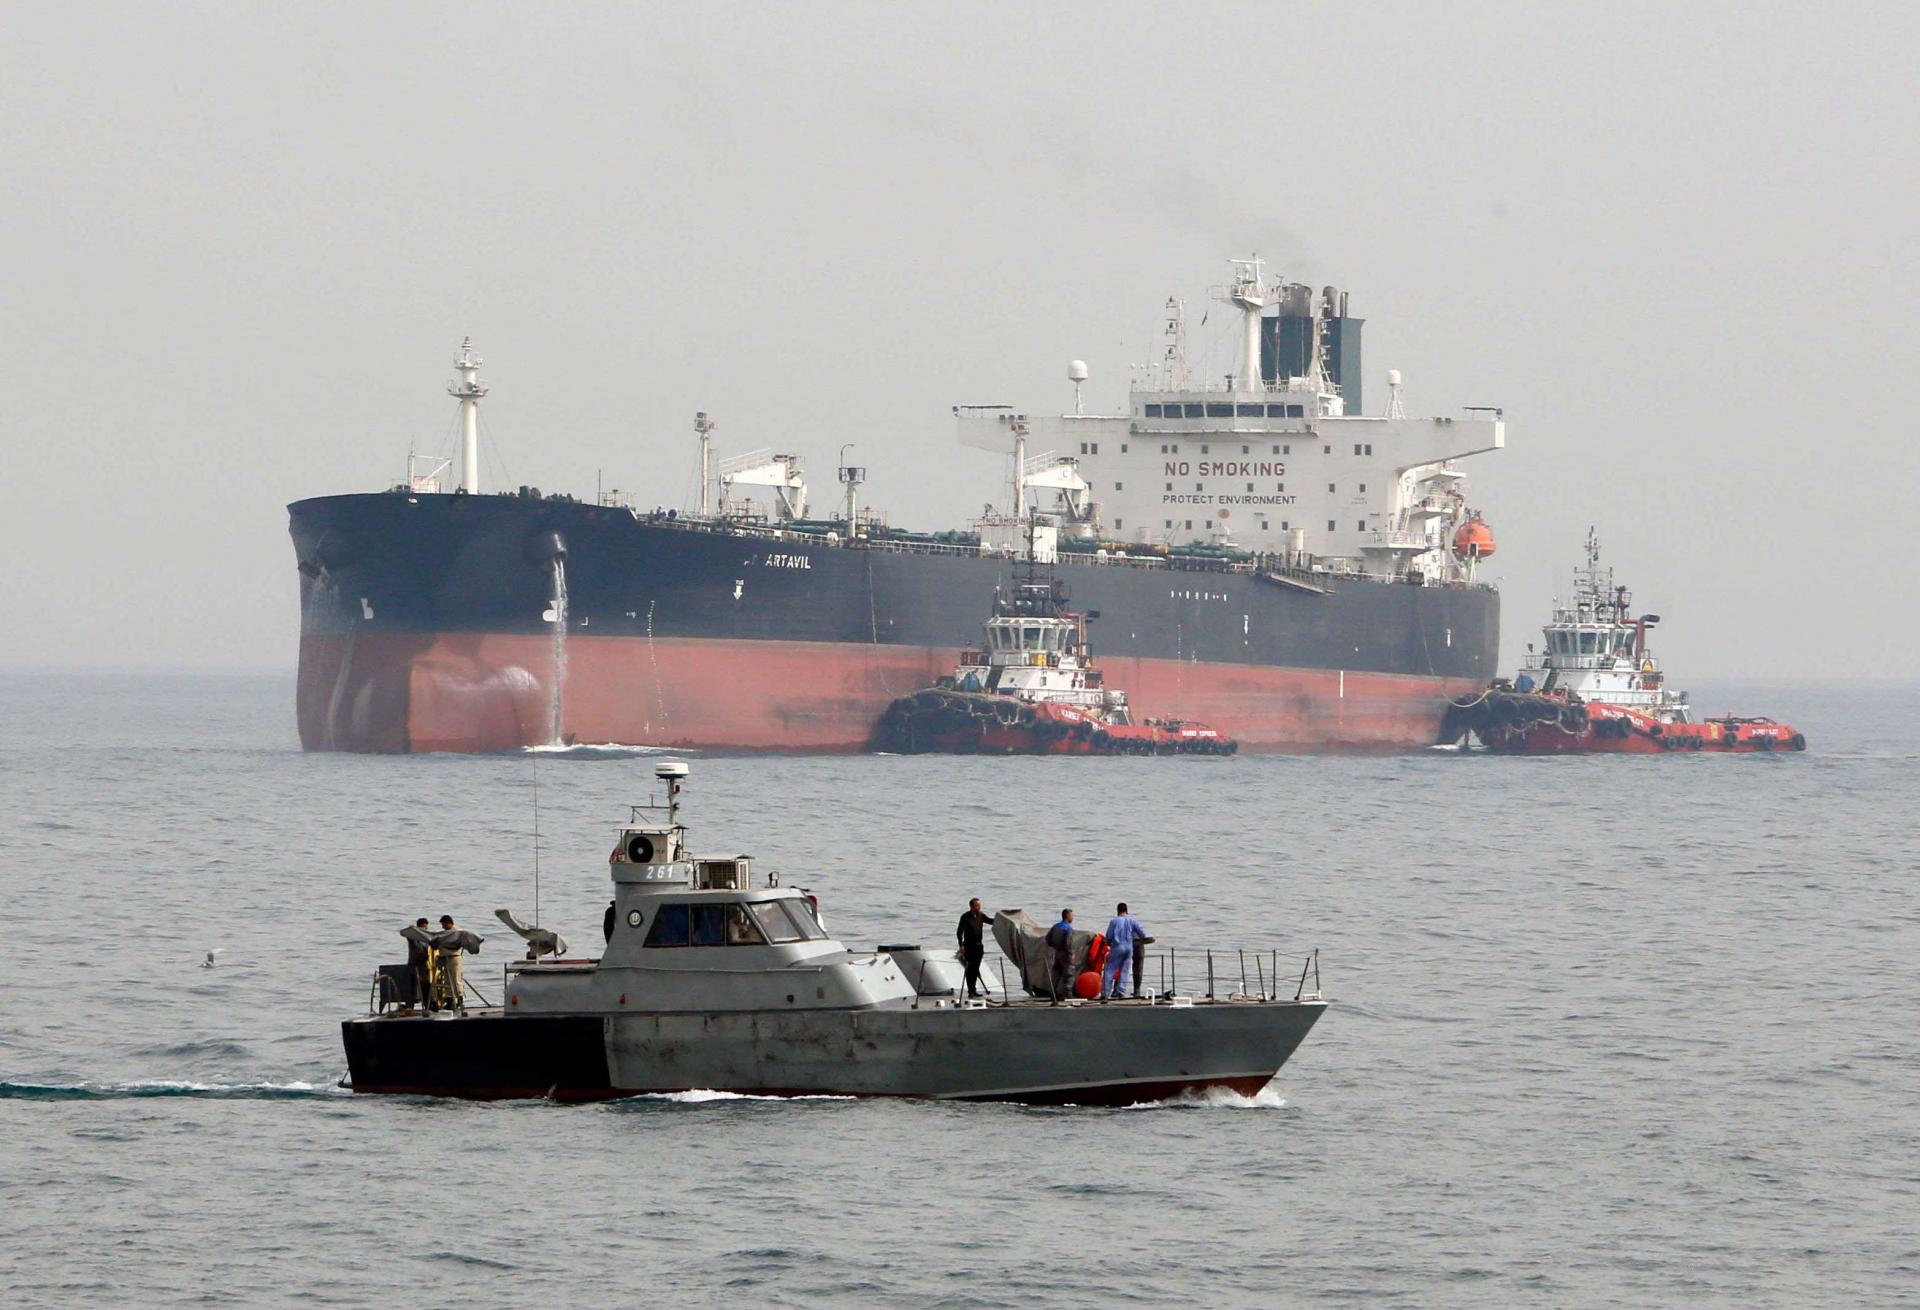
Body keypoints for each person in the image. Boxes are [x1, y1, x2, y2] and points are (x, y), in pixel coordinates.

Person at [1101, 902, 1153, 1000]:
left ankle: (1105, 993)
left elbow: (1109, 937)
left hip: (1117, 947)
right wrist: (1143, 939)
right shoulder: (1132, 920)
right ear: (1127, 911)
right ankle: (1121, 992)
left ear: (1117, 911)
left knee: (1109, 970)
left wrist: (1108, 942)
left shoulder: (1114, 921)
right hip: (1129, 948)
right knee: (1125, 970)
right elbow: (1142, 934)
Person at [955, 898, 994, 999]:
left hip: (978, 946)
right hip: (968, 946)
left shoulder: (981, 915)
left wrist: (1001, 919)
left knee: (976, 968)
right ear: (972, 906)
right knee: (970, 969)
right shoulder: (965, 917)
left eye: (979, 906)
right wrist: (961, 945)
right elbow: (959, 932)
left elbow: (990, 921)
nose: (979, 908)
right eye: (977, 906)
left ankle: (974, 990)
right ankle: (971, 991)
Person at [1044, 908, 1075, 1005]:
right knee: (1069, 974)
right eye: (1072, 915)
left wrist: (1054, 946)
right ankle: (1067, 994)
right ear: (1068, 916)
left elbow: (1047, 938)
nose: (1073, 917)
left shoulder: (1055, 926)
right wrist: (1071, 954)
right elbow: (1068, 943)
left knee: (1056, 974)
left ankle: (1053, 993)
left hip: (1057, 953)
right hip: (1065, 954)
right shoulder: (1068, 928)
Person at [406, 917, 431, 1009]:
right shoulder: (413, 937)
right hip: (413, 964)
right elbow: (408, 935)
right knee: (411, 986)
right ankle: (409, 1006)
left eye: (426, 928)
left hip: (424, 964)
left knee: (426, 985)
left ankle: (427, 1005)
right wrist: (412, 929)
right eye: (423, 928)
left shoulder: (426, 938)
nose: (425, 929)